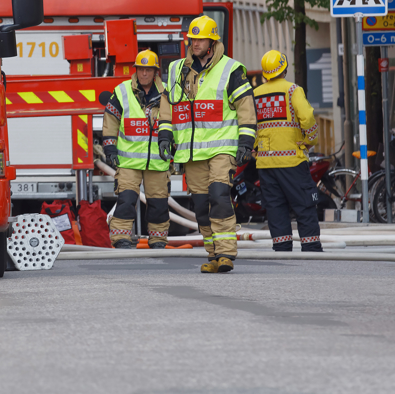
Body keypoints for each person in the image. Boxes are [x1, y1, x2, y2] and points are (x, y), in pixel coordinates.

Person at [167, 16, 257, 273]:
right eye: (192, 39)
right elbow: (168, 107)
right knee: (201, 207)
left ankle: (227, 253)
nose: (195, 43)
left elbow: (246, 108)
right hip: (191, 152)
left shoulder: (231, 69)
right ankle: (213, 254)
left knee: (219, 197)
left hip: (221, 149)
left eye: (200, 39)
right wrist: (165, 136)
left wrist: (246, 141)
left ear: (212, 41)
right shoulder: (177, 70)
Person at [101, 50, 174, 249]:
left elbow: (177, 123)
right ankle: (120, 237)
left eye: (148, 70)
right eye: (141, 69)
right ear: (136, 70)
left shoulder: (168, 93)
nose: (143, 74)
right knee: (126, 200)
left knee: (159, 203)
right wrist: (110, 148)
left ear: (155, 72)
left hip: (158, 161)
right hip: (128, 162)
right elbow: (110, 120)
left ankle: (158, 239)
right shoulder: (122, 91)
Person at [252, 50, 322, 252]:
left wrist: (255, 148)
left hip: (265, 164)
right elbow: (307, 118)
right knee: (304, 204)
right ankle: (311, 247)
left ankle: (281, 246)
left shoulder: (255, 94)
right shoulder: (292, 90)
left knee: (275, 207)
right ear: (284, 69)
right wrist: (310, 140)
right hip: (292, 161)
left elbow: (250, 124)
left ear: (265, 72)